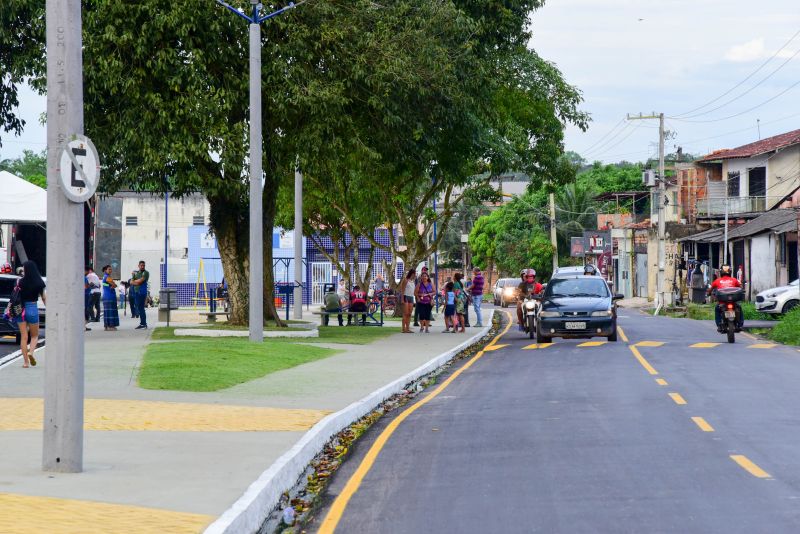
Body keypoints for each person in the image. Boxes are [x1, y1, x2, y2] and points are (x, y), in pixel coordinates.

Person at [15, 261, 46, 368]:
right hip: (32, 307)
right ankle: (31, 353)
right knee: (34, 336)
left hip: (21, 309)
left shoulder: (20, 282)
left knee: (24, 337)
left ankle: (25, 363)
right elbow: (44, 298)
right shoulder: (39, 283)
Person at [707, 264, 743, 332]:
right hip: (733, 302)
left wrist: (708, 293)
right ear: (730, 272)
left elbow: (710, 290)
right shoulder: (734, 280)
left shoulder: (717, 281)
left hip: (722, 303)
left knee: (717, 309)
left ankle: (719, 325)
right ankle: (740, 325)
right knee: (739, 308)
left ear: (721, 272)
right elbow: (741, 288)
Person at [130, 260, 150, 329]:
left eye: (143, 265)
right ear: (138, 266)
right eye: (141, 265)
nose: (142, 267)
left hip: (142, 292)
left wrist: (135, 282)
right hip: (136, 292)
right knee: (139, 308)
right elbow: (131, 282)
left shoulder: (146, 273)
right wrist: (136, 281)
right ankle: (142, 323)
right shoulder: (136, 273)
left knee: (141, 308)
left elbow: (140, 281)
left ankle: (143, 324)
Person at [101, 265, 119, 331]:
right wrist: (114, 285)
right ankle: (110, 326)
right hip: (110, 296)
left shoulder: (104, 277)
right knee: (111, 311)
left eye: (111, 269)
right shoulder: (107, 277)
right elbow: (114, 285)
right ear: (105, 270)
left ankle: (106, 326)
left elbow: (107, 285)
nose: (110, 270)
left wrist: (112, 285)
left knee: (107, 311)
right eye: (109, 269)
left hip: (106, 296)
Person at [400, 269, 417, 333]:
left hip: (411, 297)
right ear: (411, 274)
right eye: (414, 274)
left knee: (409, 314)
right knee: (405, 313)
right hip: (405, 296)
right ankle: (403, 328)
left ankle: (408, 328)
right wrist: (402, 299)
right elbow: (402, 290)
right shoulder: (405, 280)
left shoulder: (413, 281)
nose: (415, 275)